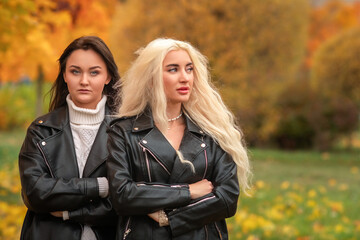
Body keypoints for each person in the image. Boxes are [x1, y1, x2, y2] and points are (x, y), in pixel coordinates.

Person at [107, 38, 251, 240]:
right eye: (173, 69)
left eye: (189, 69)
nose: (185, 78)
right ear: (151, 77)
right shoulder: (123, 132)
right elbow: (122, 195)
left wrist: (168, 217)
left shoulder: (212, 130)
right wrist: (189, 191)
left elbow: (227, 197)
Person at [18, 36, 121, 240]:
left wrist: (68, 212)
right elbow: (35, 194)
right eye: (75, 71)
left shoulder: (125, 130)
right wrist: (100, 187)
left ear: (108, 76)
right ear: (64, 75)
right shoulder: (41, 130)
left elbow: (127, 199)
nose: (84, 81)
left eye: (94, 72)